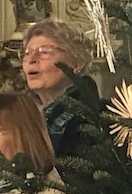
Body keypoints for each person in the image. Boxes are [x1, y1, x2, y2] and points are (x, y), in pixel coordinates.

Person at [19, 20, 100, 160]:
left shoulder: (90, 118)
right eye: (27, 53)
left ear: (77, 63)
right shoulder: (19, 113)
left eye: (44, 52)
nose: (31, 59)